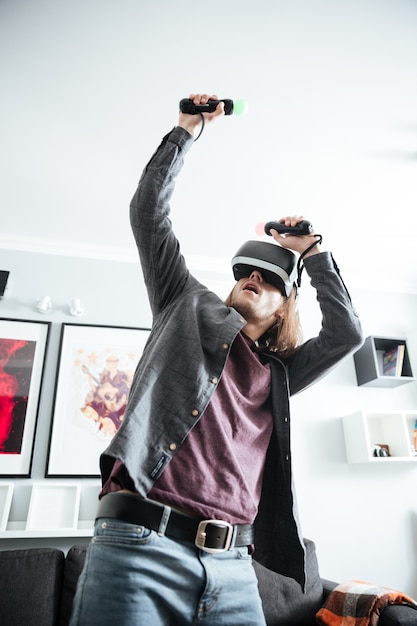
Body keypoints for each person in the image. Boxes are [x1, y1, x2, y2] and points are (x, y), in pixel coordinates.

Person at [69, 93, 363, 626]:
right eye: (247, 269)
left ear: (282, 312)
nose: (255, 277)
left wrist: (314, 253)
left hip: (232, 566)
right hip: (139, 543)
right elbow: (149, 213)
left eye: (273, 278)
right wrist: (186, 130)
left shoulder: (279, 374)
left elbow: (347, 333)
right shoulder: (186, 304)